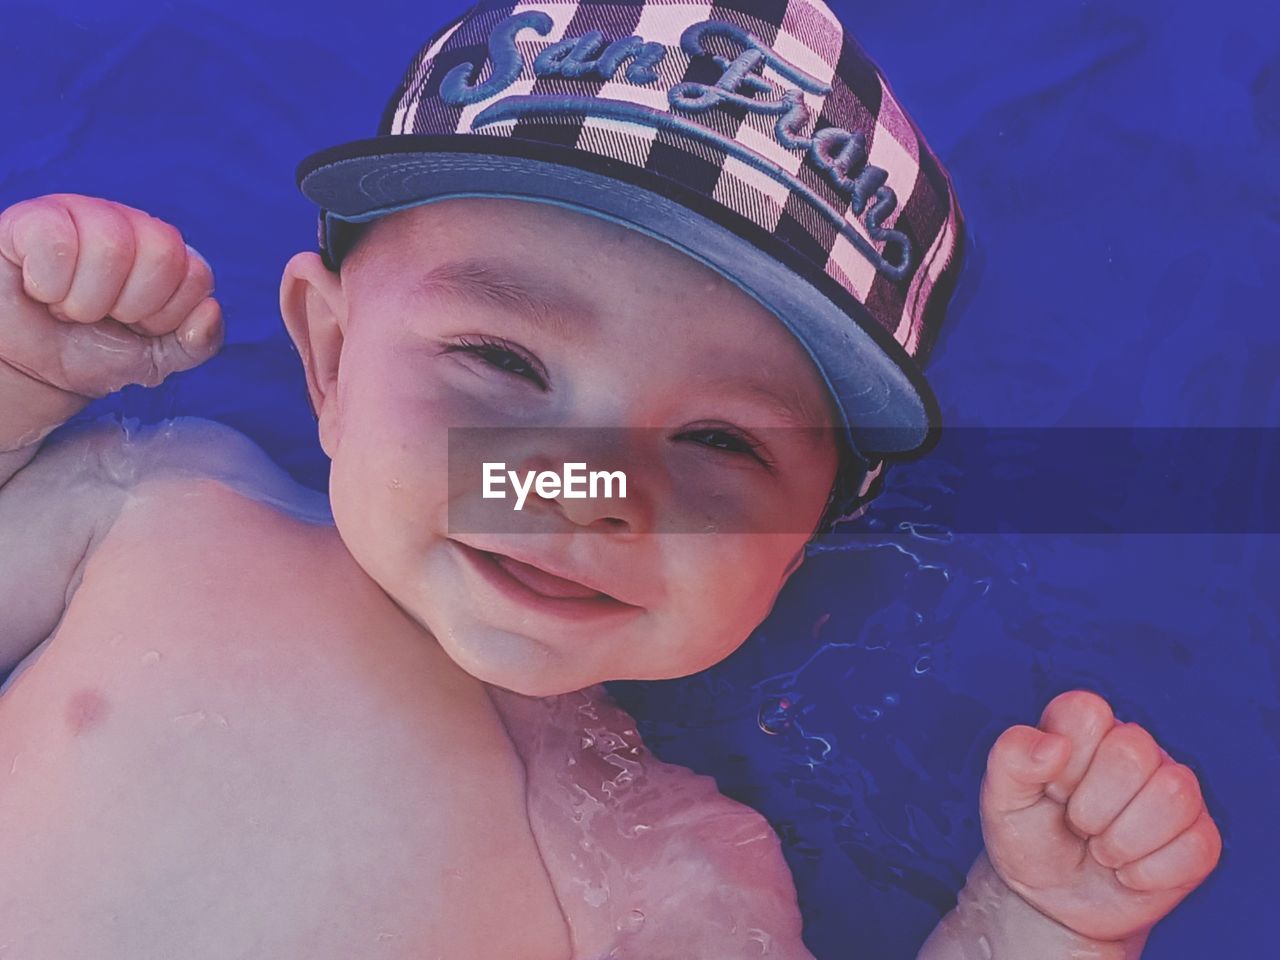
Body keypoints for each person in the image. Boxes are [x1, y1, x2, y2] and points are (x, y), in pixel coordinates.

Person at [0, 0, 1219, 956]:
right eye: (498, 359)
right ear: (326, 354)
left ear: (807, 535)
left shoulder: (665, 860)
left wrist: (1043, 926)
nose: (583, 488)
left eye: (719, 443)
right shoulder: (157, 507)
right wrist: (21, 377)